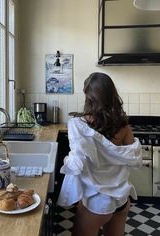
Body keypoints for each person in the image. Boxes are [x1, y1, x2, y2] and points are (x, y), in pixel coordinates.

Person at [57, 72, 142, 236]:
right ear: (112, 95)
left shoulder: (78, 126)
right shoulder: (124, 126)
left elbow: (76, 164)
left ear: (89, 96)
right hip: (121, 199)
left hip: (97, 201)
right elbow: (134, 158)